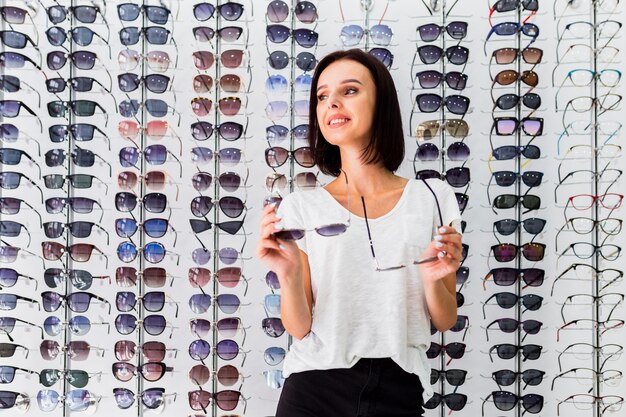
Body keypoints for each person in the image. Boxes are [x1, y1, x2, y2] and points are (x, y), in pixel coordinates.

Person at [256, 49, 463, 417]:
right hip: (314, 388)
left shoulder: (433, 197)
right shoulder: (300, 207)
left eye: (349, 90)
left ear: (381, 102)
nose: (332, 102)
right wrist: (287, 276)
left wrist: (433, 280)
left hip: (398, 388)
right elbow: (299, 327)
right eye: (322, 96)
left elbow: (445, 319)